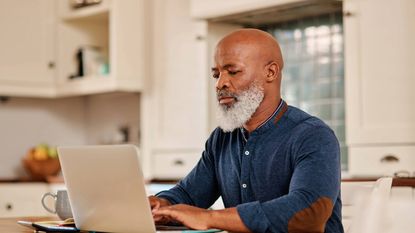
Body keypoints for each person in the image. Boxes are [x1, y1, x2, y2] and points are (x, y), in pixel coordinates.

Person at [149, 28, 343, 233]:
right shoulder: (221, 138)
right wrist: (161, 205)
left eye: (232, 71)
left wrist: (209, 217)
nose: (220, 83)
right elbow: (189, 195)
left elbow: (308, 214)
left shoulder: (313, 136)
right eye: (216, 74)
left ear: (271, 72)